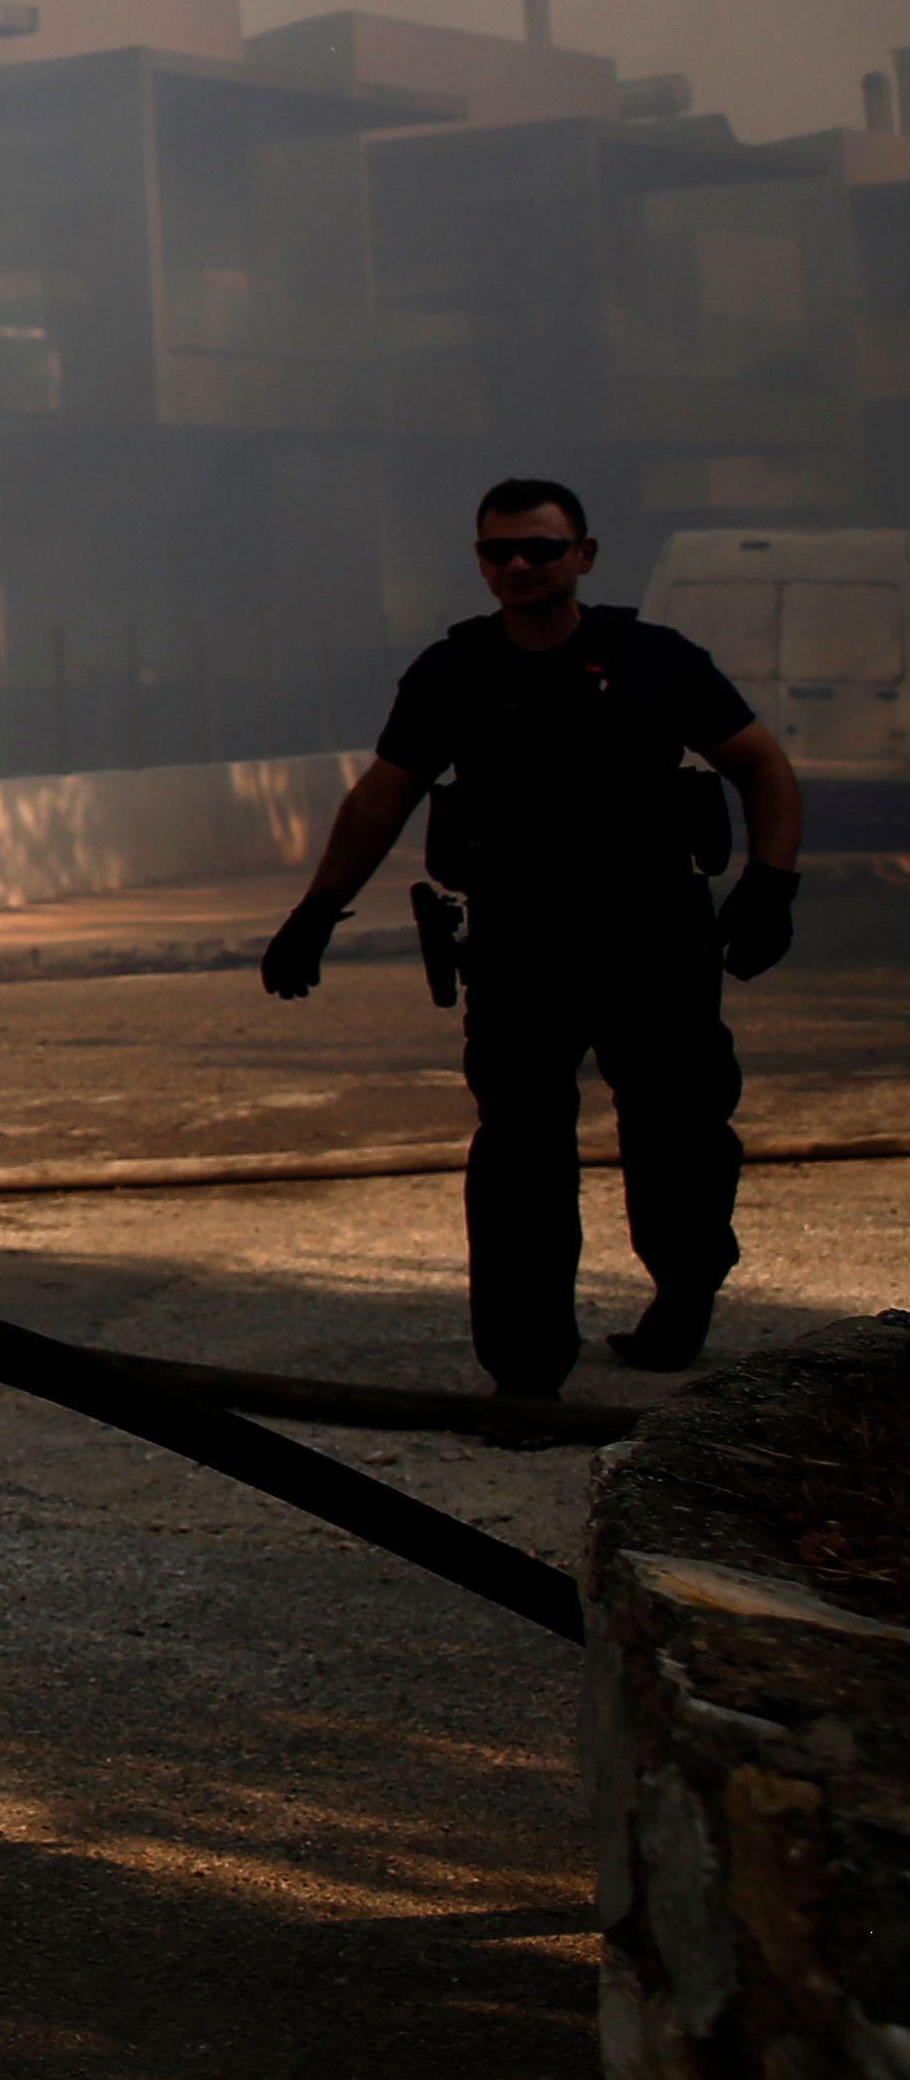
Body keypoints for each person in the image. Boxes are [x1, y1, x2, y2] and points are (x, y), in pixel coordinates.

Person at [257, 475, 801, 1393]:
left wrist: (771, 885)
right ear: (481, 563)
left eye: (540, 549)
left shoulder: (655, 659)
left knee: (678, 1137)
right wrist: (316, 912)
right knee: (519, 1150)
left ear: (582, 556)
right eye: (498, 551)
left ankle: (684, 1290)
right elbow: (384, 792)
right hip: (521, 946)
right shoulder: (455, 672)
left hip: (654, 940)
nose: (518, 565)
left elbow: (761, 764)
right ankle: (525, 1354)